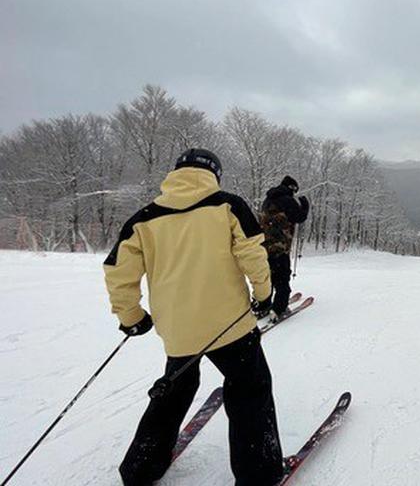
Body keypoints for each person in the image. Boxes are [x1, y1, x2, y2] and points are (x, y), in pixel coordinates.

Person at [104, 148, 284, 485]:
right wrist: (263, 295)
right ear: (214, 174)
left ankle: (139, 469)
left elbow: (118, 272)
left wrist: (132, 317)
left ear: (176, 173)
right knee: (250, 390)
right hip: (231, 326)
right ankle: (259, 475)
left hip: (178, 330)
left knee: (174, 390)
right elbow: (253, 253)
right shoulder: (228, 205)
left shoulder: (143, 219)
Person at [260, 175, 310, 317]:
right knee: (282, 278)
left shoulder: (267, 200)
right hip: (280, 247)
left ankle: (262, 305)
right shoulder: (287, 200)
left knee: (266, 277)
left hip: (263, 246)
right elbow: (299, 217)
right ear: (292, 188)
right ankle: (279, 309)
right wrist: (305, 205)